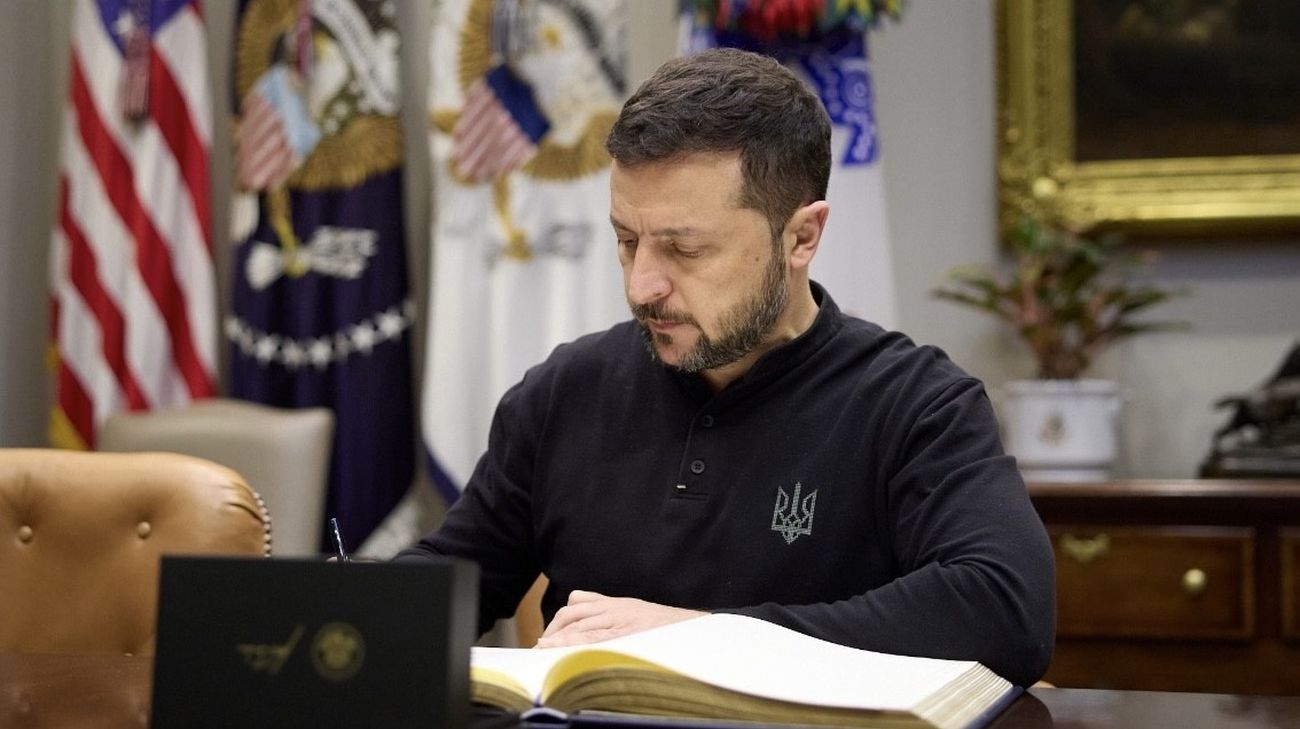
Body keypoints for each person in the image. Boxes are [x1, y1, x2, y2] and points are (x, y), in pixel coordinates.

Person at [396, 48, 1055, 687]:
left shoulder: (916, 404)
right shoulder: (566, 391)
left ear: (801, 237)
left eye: (684, 250)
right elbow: (439, 589)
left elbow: (1005, 609)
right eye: (627, 241)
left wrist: (699, 639)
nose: (642, 285)